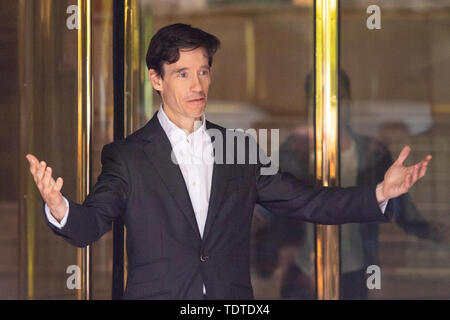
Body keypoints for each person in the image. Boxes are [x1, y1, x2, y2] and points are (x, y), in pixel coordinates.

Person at [25, 23, 432, 300]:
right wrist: (60, 207)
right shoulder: (128, 156)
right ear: (156, 79)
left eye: (203, 72)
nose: (197, 84)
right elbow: (91, 224)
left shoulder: (240, 150)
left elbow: (308, 201)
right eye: (182, 73)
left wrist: (380, 191)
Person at [253, 71, 444, 300]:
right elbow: (267, 208)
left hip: (355, 269)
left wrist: (434, 232)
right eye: (319, 98)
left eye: (338, 98)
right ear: (307, 105)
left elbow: (401, 208)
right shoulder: (291, 153)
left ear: (350, 102)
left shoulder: (373, 153)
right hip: (303, 270)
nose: (329, 106)